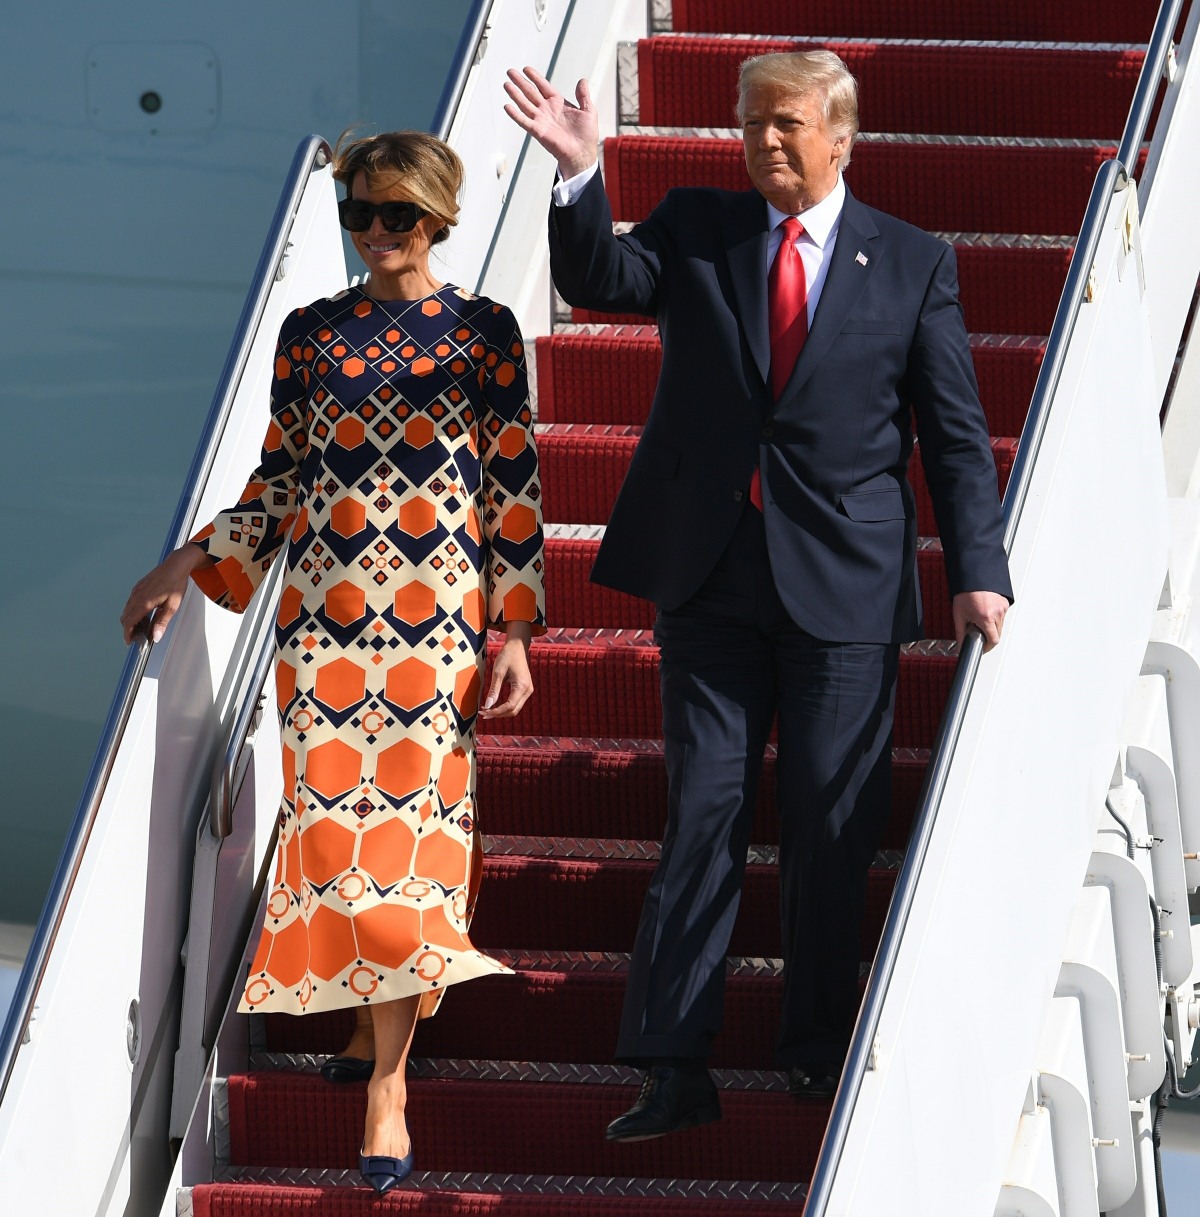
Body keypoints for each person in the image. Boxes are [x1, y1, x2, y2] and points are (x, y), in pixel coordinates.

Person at [504, 50, 1011, 1140]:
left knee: (832, 822)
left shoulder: (915, 262)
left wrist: (979, 569)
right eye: (749, 124)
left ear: (841, 132)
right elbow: (603, 281)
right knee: (705, 812)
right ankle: (672, 1063)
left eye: (784, 124)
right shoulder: (698, 225)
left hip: (847, 586)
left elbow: (957, 440)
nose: (763, 142)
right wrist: (579, 179)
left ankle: (816, 1049)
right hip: (712, 573)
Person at [121, 130, 545, 1191]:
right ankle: (368, 1017)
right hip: (324, 625)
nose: (377, 234)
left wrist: (518, 628)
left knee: (409, 838)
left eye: (396, 215)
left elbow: (511, 487)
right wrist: (183, 563)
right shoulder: (312, 335)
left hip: (435, 625)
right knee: (335, 833)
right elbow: (278, 485)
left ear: (438, 216)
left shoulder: (484, 332)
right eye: (360, 214)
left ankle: (387, 1084)